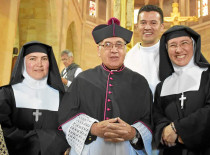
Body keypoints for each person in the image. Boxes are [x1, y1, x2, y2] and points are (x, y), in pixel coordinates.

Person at [59, 17, 153, 155]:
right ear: (98, 50)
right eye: (107, 45)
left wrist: (133, 133)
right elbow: (66, 116)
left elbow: (150, 119)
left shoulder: (140, 82)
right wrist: (93, 128)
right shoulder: (83, 79)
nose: (114, 50)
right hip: (90, 149)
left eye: (119, 45)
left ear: (125, 50)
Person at [153, 25, 210, 155]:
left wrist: (177, 130)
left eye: (184, 43)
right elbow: (157, 117)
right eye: (172, 45)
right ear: (166, 50)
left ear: (194, 46)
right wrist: (164, 131)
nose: (178, 50)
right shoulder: (162, 86)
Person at [0, 41, 69, 155]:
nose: (39, 64)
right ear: (23, 62)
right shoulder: (6, 94)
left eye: (44, 59)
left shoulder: (62, 97)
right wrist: (42, 142)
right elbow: (4, 131)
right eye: (32, 59)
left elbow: (69, 129)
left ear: (50, 63)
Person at [124, 5, 164, 96]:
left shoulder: (170, 54)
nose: (147, 27)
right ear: (137, 26)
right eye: (143, 23)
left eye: (153, 23)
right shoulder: (127, 58)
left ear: (161, 27)